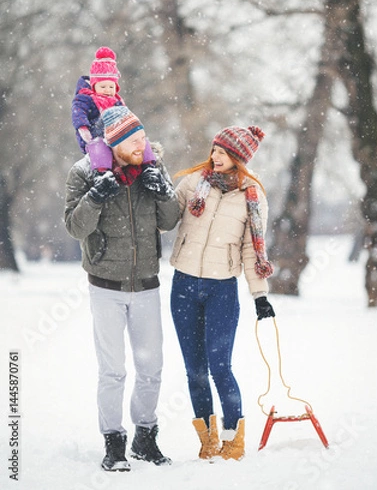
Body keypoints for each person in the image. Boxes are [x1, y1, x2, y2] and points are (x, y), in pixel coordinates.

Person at [64, 105, 180, 472]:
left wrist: (163, 192)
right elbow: (74, 227)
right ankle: (114, 443)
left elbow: (170, 220)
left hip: (146, 283)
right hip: (106, 286)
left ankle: (145, 437)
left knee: (152, 368)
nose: (143, 145)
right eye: (136, 140)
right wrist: (96, 196)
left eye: (144, 137)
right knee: (112, 370)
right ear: (114, 143)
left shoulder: (152, 168)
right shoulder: (83, 173)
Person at [169, 125, 275, 461]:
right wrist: (157, 189)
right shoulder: (191, 184)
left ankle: (234, 440)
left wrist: (260, 296)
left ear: (238, 159)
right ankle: (207, 441)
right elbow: (165, 220)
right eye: (214, 149)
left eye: (224, 152)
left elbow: (251, 249)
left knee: (219, 367)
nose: (215, 157)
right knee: (194, 370)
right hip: (183, 285)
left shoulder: (252, 196)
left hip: (222, 290)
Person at [71, 46, 155, 171]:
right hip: (95, 136)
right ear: (94, 86)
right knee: (100, 148)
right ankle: (103, 175)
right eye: (103, 86)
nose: (107, 90)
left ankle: (149, 167)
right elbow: (78, 112)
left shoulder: (118, 101)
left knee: (141, 141)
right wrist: (84, 129)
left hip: (118, 136)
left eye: (111, 87)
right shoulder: (86, 98)